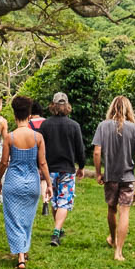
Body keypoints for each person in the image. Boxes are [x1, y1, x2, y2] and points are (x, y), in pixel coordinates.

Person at [0, 96, 52, 269]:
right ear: (29, 115)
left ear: (14, 115)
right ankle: (24, 251)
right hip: (32, 183)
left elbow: (4, 162)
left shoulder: (10, 137)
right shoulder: (38, 137)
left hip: (13, 182)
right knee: (27, 219)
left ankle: (20, 256)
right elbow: (42, 163)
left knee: (14, 219)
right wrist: (49, 184)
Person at [92, 94, 135, 262]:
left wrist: (98, 172)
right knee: (124, 212)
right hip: (128, 177)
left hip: (110, 177)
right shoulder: (134, 128)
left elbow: (96, 151)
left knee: (111, 209)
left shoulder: (103, 126)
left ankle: (113, 239)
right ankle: (119, 252)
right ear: (128, 109)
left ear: (112, 108)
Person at [39, 91, 86, 246]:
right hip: (67, 168)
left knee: (54, 200)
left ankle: (57, 229)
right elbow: (80, 149)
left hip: (49, 169)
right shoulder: (74, 126)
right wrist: (82, 166)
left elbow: (40, 149)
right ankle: (57, 231)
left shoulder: (45, 125)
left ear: (53, 105)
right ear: (67, 106)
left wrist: (39, 166)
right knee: (64, 201)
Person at [29, 101, 49, 214]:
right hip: (44, 152)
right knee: (44, 179)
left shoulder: (28, 123)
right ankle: (45, 201)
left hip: (31, 153)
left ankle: (32, 203)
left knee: (33, 178)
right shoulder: (46, 122)